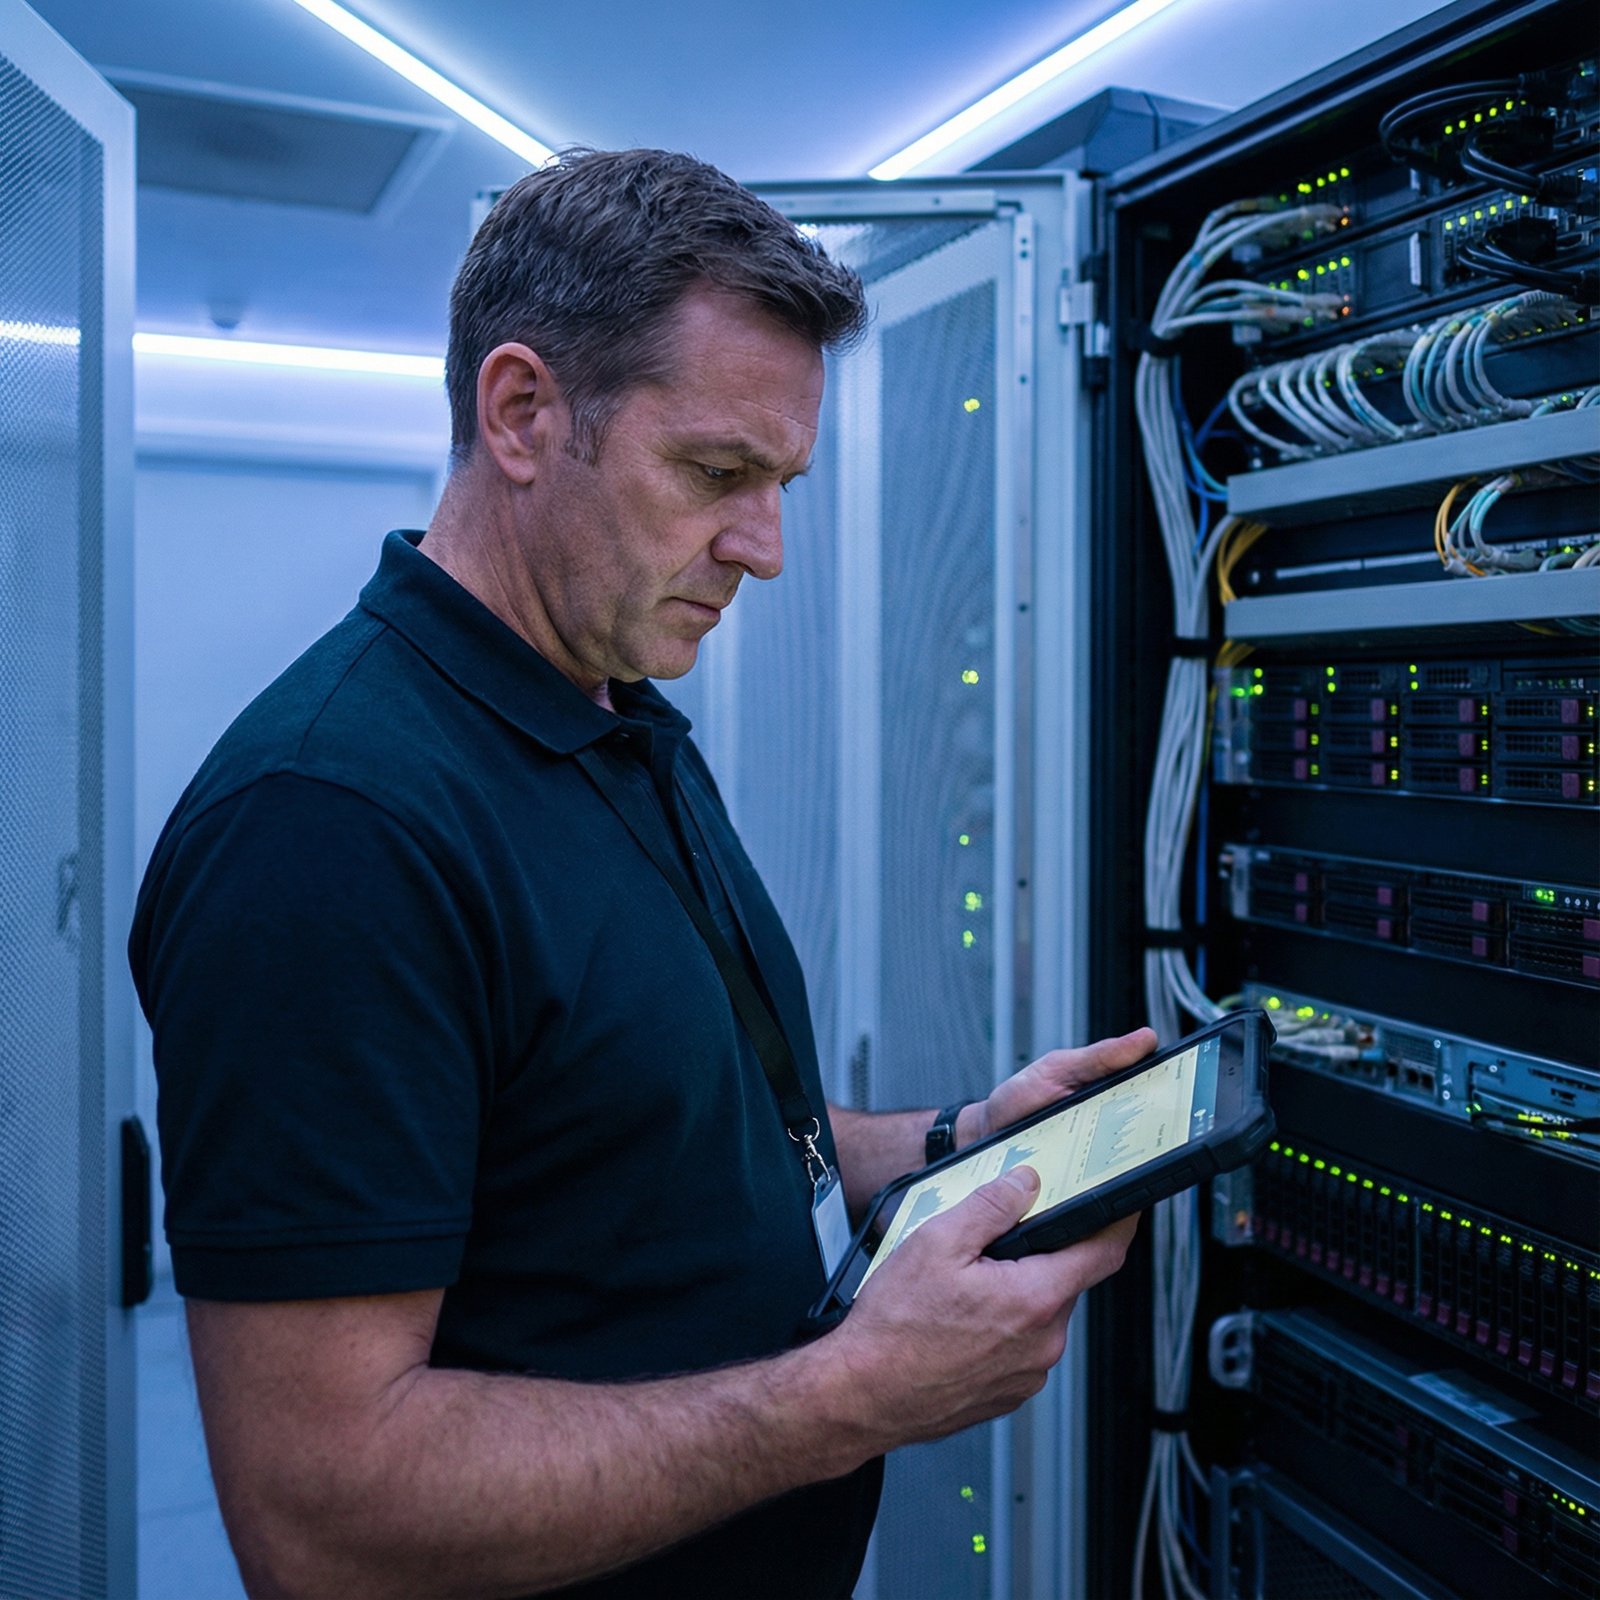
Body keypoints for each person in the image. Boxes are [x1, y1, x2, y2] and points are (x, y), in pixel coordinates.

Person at [129, 147, 1152, 1599]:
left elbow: (695, 1134)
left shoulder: (618, 715)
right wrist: (849, 1396)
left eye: (782, 481)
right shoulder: (332, 825)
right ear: (525, 411)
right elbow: (321, 1512)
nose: (768, 548)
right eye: (719, 473)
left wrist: (960, 1138)